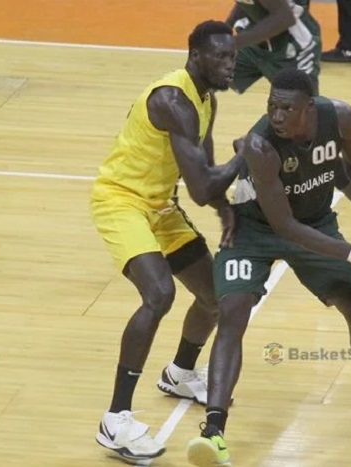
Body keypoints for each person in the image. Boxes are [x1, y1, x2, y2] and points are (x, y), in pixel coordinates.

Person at [185, 69, 351, 467]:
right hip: (253, 231)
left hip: (315, 222)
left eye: (286, 108)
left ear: (309, 108)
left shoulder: (341, 117)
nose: (276, 115)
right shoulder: (260, 146)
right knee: (233, 313)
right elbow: (284, 228)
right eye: (271, 106)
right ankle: (214, 431)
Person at [89, 20, 243, 464]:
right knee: (159, 294)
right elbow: (201, 185)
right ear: (196, 57)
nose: (230, 64)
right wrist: (248, 154)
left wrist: (226, 210)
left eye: (232, 56)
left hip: (159, 206)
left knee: (215, 296)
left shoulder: (205, 98)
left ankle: (178, 373)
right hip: (121, 201)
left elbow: (206, 172)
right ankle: (115, 418)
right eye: (221, 57)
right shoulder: (174, 101)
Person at [224, 0, 351, 247]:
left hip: (294, 46)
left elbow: (284, 17)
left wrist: (236, 41)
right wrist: (224, 30)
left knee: (315, 145)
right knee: (211, 70)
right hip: (262, 44)